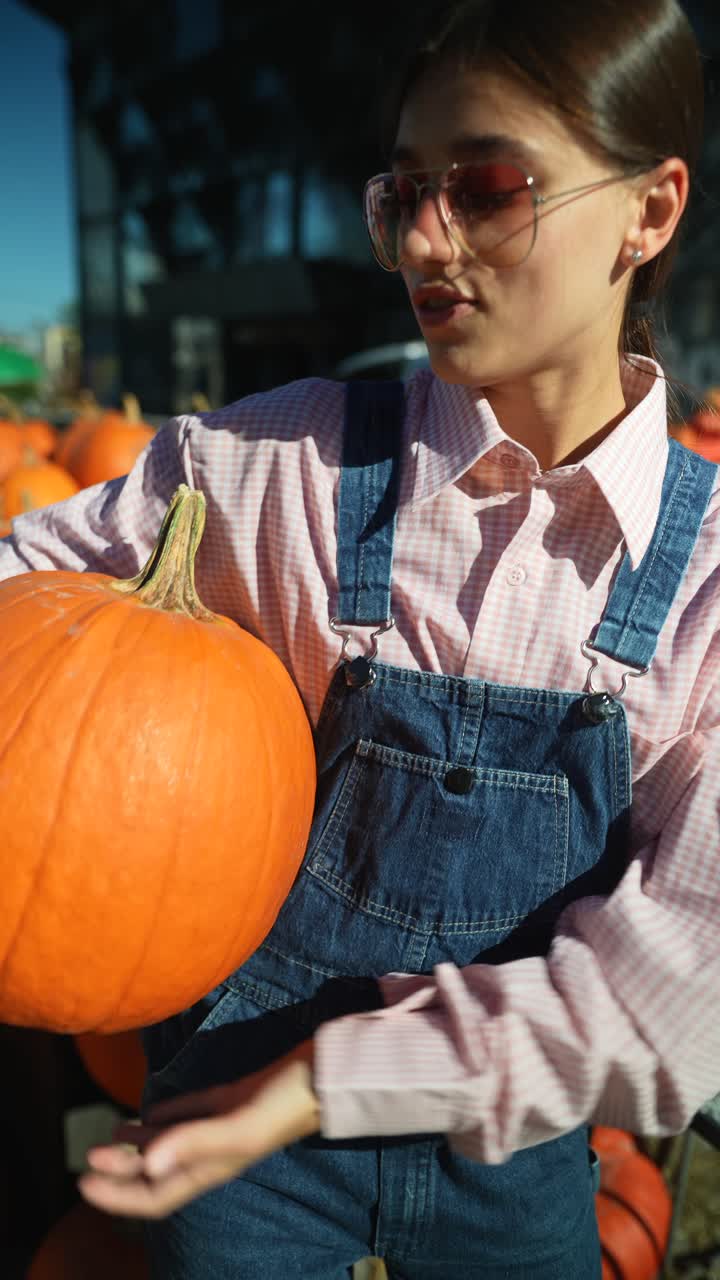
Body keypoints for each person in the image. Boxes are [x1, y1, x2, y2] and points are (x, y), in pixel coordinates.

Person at [3, 1, 719, 1275]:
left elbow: (664, 995)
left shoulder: (707, 579)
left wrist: (326, 1081)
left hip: (510, 1158)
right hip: (232, 1147)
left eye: (489, 185)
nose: (425, 241)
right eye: (404, 193)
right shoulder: (281, 465)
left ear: (650, 212)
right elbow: (29, 593)